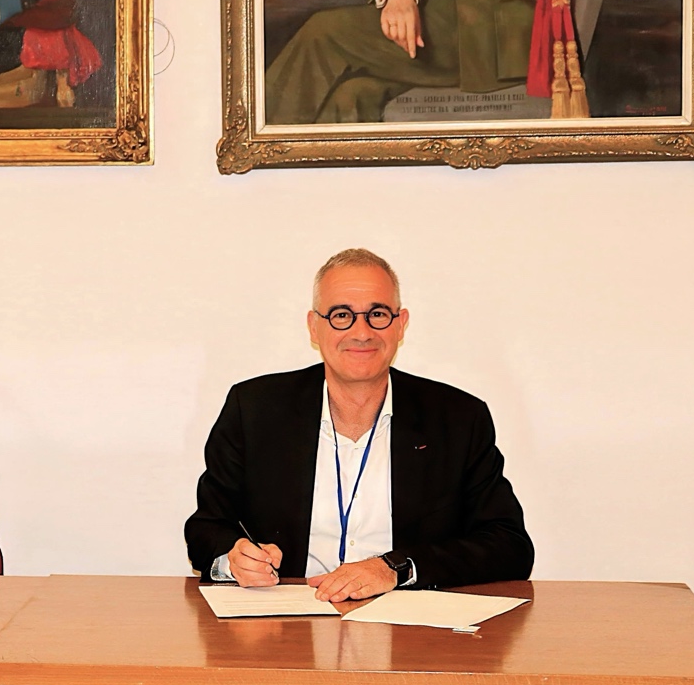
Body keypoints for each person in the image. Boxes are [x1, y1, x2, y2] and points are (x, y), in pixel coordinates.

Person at [185, 249, 532, 602]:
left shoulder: (458, 418)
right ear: (314, 326)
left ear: (401, 324)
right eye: (341, 315)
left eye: (377, 314)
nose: (361, 332)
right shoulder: (254, 409)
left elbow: (509, 545)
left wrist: (396, 568)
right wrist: (233, 560)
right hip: (285, 624)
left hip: (413, 630)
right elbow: (205, 529)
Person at [264, 0, 585, 124]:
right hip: (441, 6)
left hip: (500, 27)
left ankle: (262, 153)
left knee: (323, 33)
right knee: (350, 96)